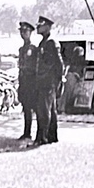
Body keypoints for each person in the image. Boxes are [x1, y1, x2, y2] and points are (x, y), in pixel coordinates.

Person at [33, 15, 63, 146]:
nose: (38, 27)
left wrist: (58, 81)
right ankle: (51, 137)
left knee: (44, 110)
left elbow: (59, 64)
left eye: (40, 25)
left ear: (47, 26)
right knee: (48, 110)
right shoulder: (43, 43)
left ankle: (43, 138)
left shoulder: (51, 43)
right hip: (42, 81)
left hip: (48, 82)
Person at [16, 21, 39, 140]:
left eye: (25, 31)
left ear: (30, 33)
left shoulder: (33, 49)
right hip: (23, 81)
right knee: (26, 107)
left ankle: (39, 133)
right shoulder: (21, 49)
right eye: (21, 31)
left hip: (31, 81)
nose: (23, 34)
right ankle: (27, 132)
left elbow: (36, 66)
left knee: (34, 107)